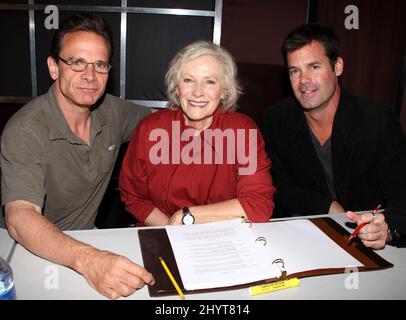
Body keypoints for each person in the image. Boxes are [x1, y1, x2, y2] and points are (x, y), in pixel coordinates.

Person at [0, 14, 154, 299]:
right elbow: (20, 218)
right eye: (77, 62)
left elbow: (159, 122)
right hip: (24, 250)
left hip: (84, 240)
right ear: (54, 68)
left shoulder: (113, 112)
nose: (90, 76)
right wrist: (90, 260)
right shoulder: (26, 129)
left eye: (100, 65)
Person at [262, 23, 406, 249]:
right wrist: (329, 206)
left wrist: (388, 231)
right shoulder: (276, 120)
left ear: (337, 67)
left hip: (372, 244)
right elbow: (277, 186)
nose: (303, 80)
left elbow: (401, 194)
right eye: (294, 70)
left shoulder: (377, 120)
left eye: (314, 67)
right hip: (306, 238)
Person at [119, 41, 275, 226]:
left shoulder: (241, 131)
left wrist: (186, 216)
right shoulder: (150, 128)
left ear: (224, 91)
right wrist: (171, 229)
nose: (197, 92)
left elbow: (258, 204)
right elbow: (134, 197)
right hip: (160, 229)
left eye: (209, 82)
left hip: (222, 235)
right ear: (177, 87)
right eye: (188, 80)